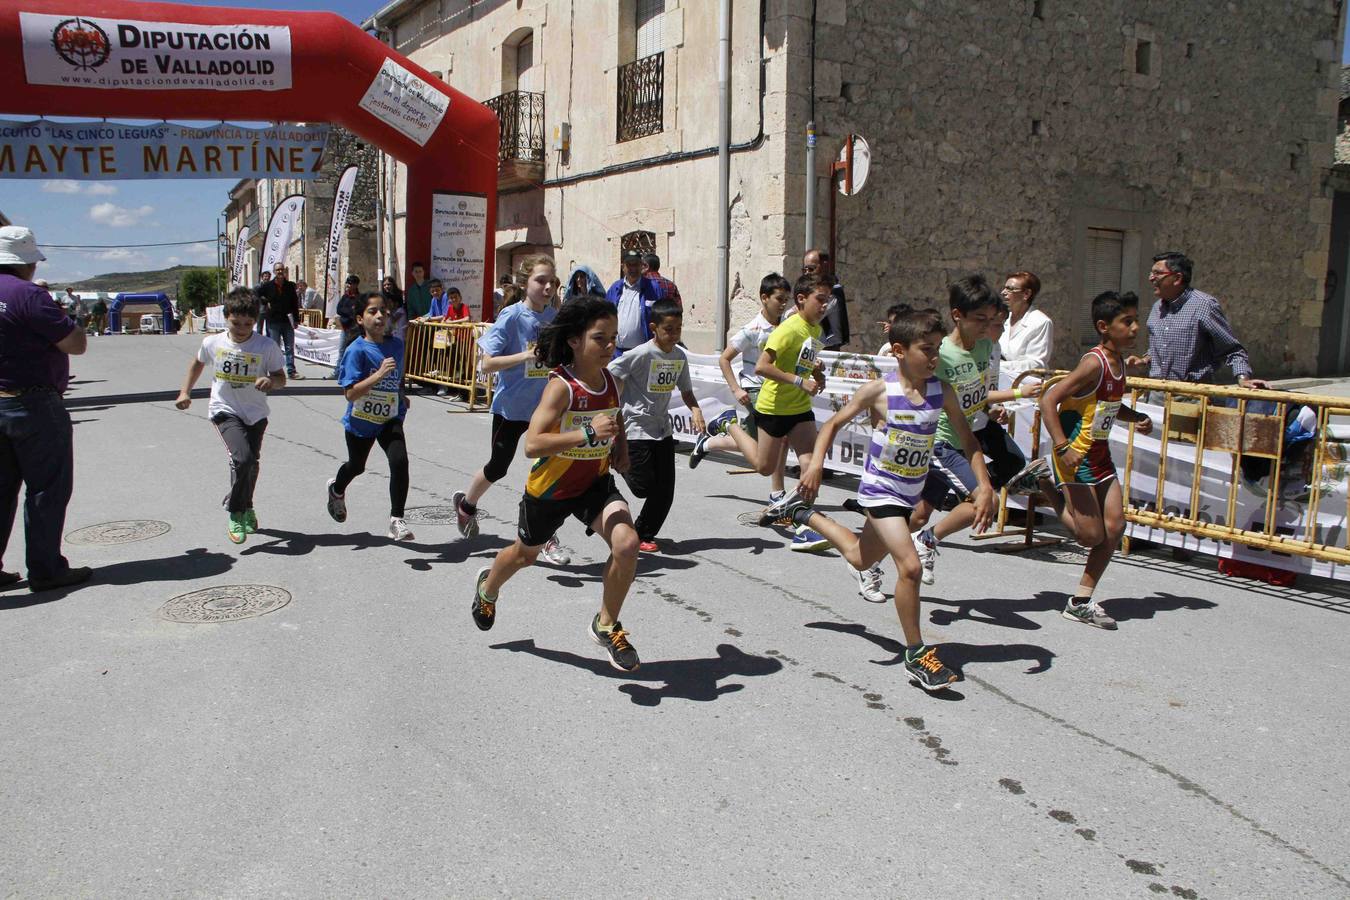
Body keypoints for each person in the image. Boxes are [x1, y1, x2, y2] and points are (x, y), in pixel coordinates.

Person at [768, 308, 994, 690]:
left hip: (909, 494)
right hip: (880, 491)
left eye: (938, 348)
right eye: (927, 349)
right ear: (899, 351)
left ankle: (804, 515)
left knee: (860, 556)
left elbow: (969, 440)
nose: (935, 357)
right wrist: (815, 465)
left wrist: (984, 485)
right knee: (910, 567)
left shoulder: (943, 391)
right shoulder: (879, 392)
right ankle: (916, 653)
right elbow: (833, 426)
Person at [469, 297, 643, 673]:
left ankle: (607, 624)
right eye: (601, 339)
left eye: (614, 338)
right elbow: (533, 444)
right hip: (550, 489)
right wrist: (585, 432)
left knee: (627, 544)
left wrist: (621, 449)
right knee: (524, 556)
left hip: (594, 483)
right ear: (575, 341)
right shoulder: (561, 387)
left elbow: (614, 418)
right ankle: (488, 587)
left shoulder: (612, 381)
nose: (610, 346)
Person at [908, 275, 1046, 585]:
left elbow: (975, 393)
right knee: (986, 501)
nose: (988, 326)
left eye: (992, 319)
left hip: (964, 438)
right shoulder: (939, 353)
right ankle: (928, 540)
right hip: (938, 441)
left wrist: (990, 406)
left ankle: (868, 560)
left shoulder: (985, 347)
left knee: (917, 515)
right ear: (958, 315)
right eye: (980, 319)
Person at [1040, 291, 1153, 629]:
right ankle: (1043, 484)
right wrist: (1062, 448)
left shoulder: (1118, 362)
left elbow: (1107, 408)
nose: (1135, 328)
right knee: (1090, 537)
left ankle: (1080, 601)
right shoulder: (1093, 363)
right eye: (1127, 322)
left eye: (1136, 321)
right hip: (1075, 458)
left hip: (1100, 456)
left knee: (1115, 528)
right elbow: (1049, 401)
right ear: (1104, 327)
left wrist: (1136, 419)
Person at [451, 255, 572, 566]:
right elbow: (487, 364)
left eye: (551, 281)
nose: (547, 287)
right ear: (525, 284)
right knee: (498, 466)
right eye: (540, 281)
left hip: (544, 409)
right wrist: (525, 355)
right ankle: (467, 505)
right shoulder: (512, 316)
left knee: (547, 472)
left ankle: (546, 537)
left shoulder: (555, 318)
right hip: (511, 408)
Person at [0, 225, 91, 592]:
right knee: (46, 488)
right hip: (33, 402)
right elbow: (75, 344)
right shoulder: (29, 297)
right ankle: (45, 567)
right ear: (27, 264)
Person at [175, 286, 286, 544]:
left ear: (255, 321)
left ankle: (247, 505)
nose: (242, 328)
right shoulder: (213, 342)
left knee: (252, 463)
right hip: (225, 410)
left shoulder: (265, 345)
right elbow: (198, 363)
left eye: (248, 323)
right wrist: (185, 392)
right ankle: (235, 512)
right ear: (226, 316)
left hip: (256, 413)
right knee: (243, 459)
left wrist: (271, 381)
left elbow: (281, 378)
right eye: (236, 322)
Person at [607, 299, 707, 552]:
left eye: (678, 329)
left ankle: (643, 533)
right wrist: (614, 402)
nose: (674, 334)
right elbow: (610, 373)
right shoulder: (639, 354)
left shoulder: (679, 356)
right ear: (654, 327)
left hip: (662, 429)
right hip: (636, 427)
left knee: (665, 490)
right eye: (669, 329)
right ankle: (618, 461)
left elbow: (686, 391)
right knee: (643, 488)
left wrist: (696, 410)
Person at [750, 272, 836, 552]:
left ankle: (802, 526)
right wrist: (800, 381)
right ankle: (729, 427)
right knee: (764, 467)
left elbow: (803, 362)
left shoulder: (816, 331)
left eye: (828, 301)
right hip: (773, 408)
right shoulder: (787, 329)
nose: (825, 306)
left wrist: (816, 373)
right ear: (801, 299)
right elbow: (761, 367)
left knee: (812, 468)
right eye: (820, 300)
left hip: (799, 408)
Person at [689, 273, 792, 504]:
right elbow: (725, 358)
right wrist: (736, 389)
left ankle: (711, 439)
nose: (784, 304)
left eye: (787, 299)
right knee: (778, 439)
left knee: (759, 445)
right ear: (764, 298)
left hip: (778, 390)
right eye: (779, 299)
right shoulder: (752, 329)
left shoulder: (786, 325)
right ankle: (777, 494)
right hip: (756, 390)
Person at [325, 292, 415, 541]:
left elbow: (397, 375)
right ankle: (336, 489)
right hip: (361, 420)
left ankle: (396, 519)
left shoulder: (396, 344)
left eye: (383, 311)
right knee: (357, 466)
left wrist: (400, 393)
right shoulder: (356, 351)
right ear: (360, 318)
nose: (379, 316)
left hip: (389, 417)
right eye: (372, 311)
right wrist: (378, 376)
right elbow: (351, 393)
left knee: (400, 462)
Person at [1126, 251, 1270, 391]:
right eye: (1151, 273)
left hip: (1190, 396)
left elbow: (1232, 350)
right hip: (1156, 394)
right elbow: (1160, 349)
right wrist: (1144, 361)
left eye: (1157, 273)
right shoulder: (1157, 308)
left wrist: (1243, 378)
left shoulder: (1204, 306)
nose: (1151, 278)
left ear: (1177, 278)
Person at [998, 271, 1053, 377]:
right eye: (1005, 288)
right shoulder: (1002, 319)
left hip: (1027, 385)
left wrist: (998, 366)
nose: (1003, 292)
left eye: (1010, 289)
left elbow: (1036, 364)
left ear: (1026, 294)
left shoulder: (1041, 322)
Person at [606, 249, 660, 354]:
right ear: (623, 267)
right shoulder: (615, 288)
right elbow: (605, 315)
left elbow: (661, 318)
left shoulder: (653, 288)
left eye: (636, 264)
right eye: (629, 265)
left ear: (642, 266)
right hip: (616, 353)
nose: (633, 268)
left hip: (642, 353)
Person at [258, 263, 301, 379]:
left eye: (282, 269)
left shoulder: (290, 286)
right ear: (274, 271)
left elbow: (294, 303)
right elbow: (257, 294)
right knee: (274, 347)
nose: (280, 272)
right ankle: (274, 370)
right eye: (278, 270)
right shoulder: (268, 286)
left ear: (285, 271)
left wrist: (296, 319)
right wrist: (265, 301)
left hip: (287, 321)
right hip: (273, 321)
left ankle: (291, 371)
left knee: (289, 347)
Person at [802, 249, 850, 351]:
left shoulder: (833, 291)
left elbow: (810, 317)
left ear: (824, 266)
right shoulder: (812, 290)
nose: (807, 273)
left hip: (828, 349)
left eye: (811, 269)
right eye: (804, 270)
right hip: (814, 347)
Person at [333, 274, 362, 363]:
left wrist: (348, 312)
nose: (348, 285)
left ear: (356, 285)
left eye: (350, 283)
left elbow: (355, 312)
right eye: (347, 283)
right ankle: (338, 373)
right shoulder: (345, 296)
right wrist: (349, 311)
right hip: (344, 328)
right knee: (342, 351)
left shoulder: (359, 298)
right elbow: (339, 309)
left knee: (353, 350)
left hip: (354, 329)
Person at [380, 276, 407, 341]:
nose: (386, 286)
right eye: (384, 285)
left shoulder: (398, 294)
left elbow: (394, 318)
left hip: (399, 319)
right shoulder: (382, 296)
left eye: (388, 284)